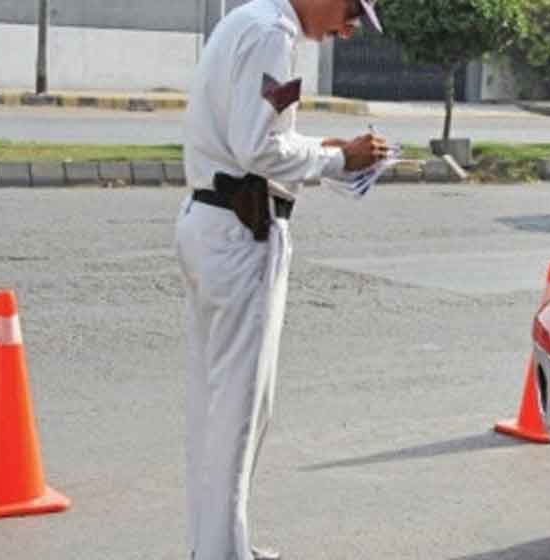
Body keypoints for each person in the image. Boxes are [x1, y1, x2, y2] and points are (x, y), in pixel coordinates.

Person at [175, 1, 385, 559]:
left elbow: (252, 136)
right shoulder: (273, 34)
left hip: (214, 222)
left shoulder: (251, 20)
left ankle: (218, 546)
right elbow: (259, 147)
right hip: (241, 231)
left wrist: (324, 150)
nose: (348, 29)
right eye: (351, 11)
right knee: (240, 409)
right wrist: (340, 160)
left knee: (217, 406)